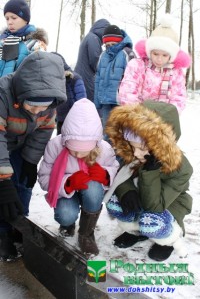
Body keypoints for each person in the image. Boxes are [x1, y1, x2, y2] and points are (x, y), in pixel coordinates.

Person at [104, 100, 193, 261]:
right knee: (117, 203)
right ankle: (135, 232)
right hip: (142, 196)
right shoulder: (136, 154)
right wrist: (127, 191)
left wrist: (150, 173)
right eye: (133, 147)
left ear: (161, 145)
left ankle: (167, 241)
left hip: (168, 206)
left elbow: (155, 206)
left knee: (152, 221)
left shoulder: (181, 168)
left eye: (143, 149)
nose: (137, 154)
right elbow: (122, 175)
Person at [0, 51, 67, 261]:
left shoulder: (50, 106)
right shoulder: (3, 93)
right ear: (21, 94)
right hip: (3, 143)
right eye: (32, 105)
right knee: (5, 193)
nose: (38, 111)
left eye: (43, 106)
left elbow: (44, 130)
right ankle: (2, 234)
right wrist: (3, 181)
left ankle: (20, 224)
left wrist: (30, 160)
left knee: (23, 185)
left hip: (22, 146)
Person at [38, 98, 119, 256]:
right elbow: (43, 178)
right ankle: (68, 224)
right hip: (65, 194)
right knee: (66, 215)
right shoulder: (55, 146)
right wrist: (67, 183)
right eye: (74, 150)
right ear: (66, 140)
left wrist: (105, 175)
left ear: (95, 144)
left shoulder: (104, 149)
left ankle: (86, 233)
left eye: (84, 151)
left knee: (94, 186)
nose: (79, 155)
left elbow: (115, 170)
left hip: (90, 194)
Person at [118, 13, 191, 114]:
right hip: (137, 118)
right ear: (149, 51)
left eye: (164, 55)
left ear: (171, 56)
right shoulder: (137, 66)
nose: (159, 59)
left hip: (163, 120)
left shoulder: (176, 73)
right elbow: (127, 93)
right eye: (156, 54)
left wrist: (165, 114)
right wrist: (142, 115)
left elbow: (179, 98)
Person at [94, 24, 136, 132]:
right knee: (107, 131)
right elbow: (98, 78)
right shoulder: (103, 56)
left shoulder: (127, 53)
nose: (110, 47)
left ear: (120, 42)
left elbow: (134, 78)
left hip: (120, 102)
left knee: (120, 133)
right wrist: (97, 100)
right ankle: (107, 148)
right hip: (105, 102)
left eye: (113, 44)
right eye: (107, 45)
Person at [0, 0, 48, 77]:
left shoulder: (35, 44)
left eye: (14, 18)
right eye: (7, 18)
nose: (10, 22)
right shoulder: (2, 41)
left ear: (25, 19)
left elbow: (38, 74)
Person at [74, 19, 110, 101]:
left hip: (82, 76)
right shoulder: (94, 38)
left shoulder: (90, 37)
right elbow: (95, 60)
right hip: (87, 78)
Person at [51, 52, 86, 135]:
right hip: (60, 117)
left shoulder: (74, 78)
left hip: (73, 118)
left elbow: (82, 100)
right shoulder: (53, 79)